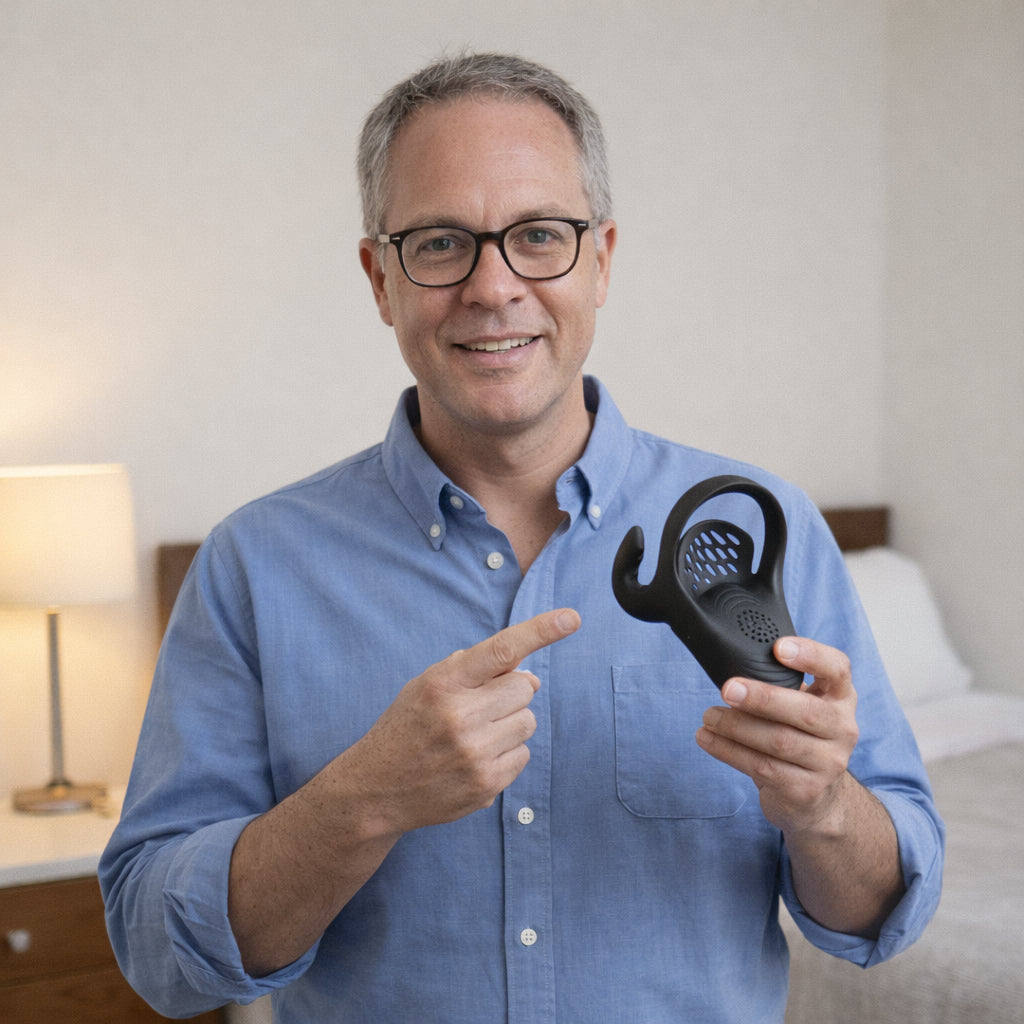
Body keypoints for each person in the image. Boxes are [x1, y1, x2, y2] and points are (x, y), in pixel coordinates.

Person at [100, 53, 943, 1023]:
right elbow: (160, 957)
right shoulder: (253, 567)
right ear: (380, 279)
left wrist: (824, 808)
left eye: (539, 235)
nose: (493, 287)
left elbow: (885, 912)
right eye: (440, 243)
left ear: (601, 259)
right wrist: (365, 798)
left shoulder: (765, 531)